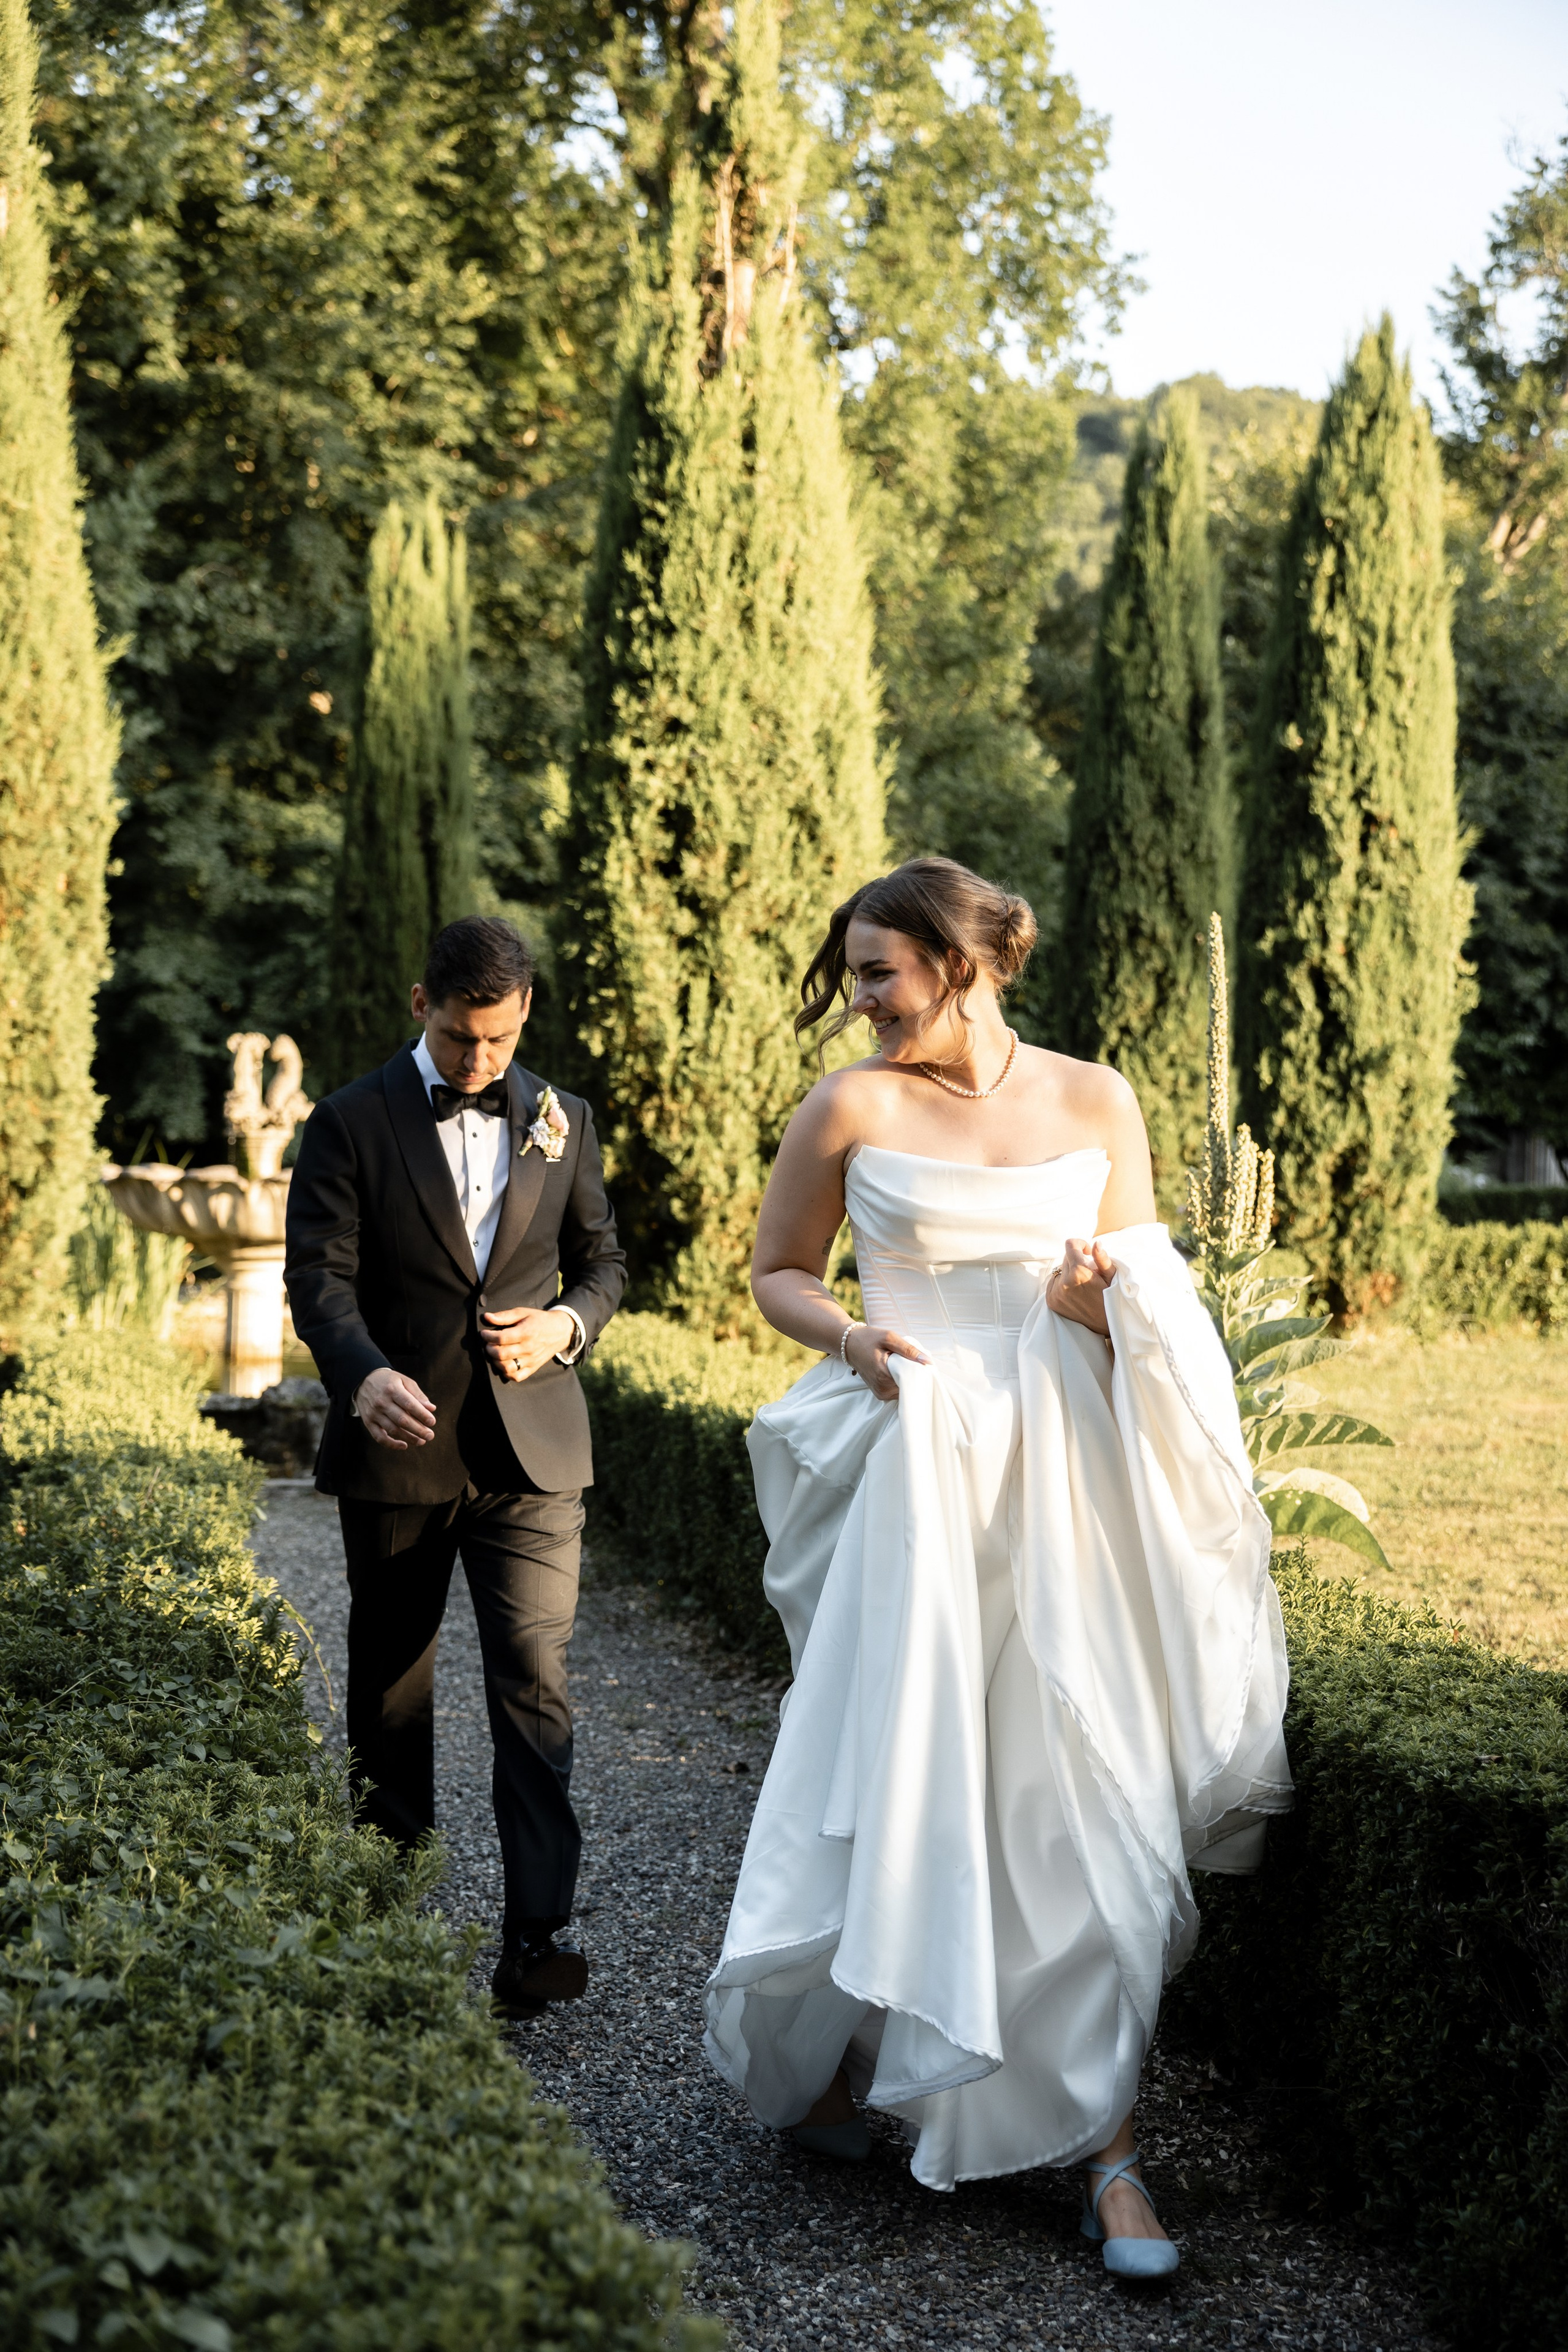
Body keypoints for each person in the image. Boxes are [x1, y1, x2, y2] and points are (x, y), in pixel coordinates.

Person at [703, 860, 1292, 2280]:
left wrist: (1102, 1302)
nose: (855, 998)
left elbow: (1142, 1291)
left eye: (876, 971)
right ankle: (866, 2064)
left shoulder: (1097, 1101)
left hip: (1065, 1481)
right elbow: (777, 1270)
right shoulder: (847, 1104)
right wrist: (850, 1341)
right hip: (918, 1473)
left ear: (964, 965)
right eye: (849, 972)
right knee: (906, 1777)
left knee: (1081, 1793)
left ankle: (1108, 2161)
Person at [285, 916, 625, 2016]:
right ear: (419, 1002)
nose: (481, 1061)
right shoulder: (346, 1120)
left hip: (535, 1455)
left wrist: (565, 1328)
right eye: (461, 1036)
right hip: (401, 1447)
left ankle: (535, 1936)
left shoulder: (563, 1120)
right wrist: (361, 1373)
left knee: (536, 1682)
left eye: (499, 1040)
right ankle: (390, 1923)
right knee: (391, 1691)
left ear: (524, 1014)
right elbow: (317, 1279)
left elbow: (603, 1262)